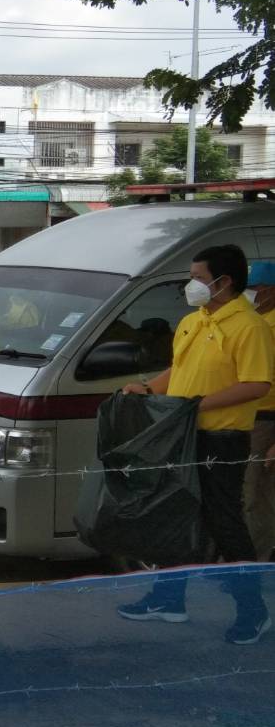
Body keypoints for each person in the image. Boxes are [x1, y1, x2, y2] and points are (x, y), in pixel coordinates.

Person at [118, 244, 272, 644]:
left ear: (225, 282)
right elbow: (180, 368)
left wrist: (199, 404)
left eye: (198, 278)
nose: (192, 285)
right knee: (176, 515)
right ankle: (169, 599)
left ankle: (253, 610)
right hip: (184, 435)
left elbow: (257, 384)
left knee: (225, 523)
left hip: (222, 438)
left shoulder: (248, 326)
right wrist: (149, 387)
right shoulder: (193, 321)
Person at [244, 260, 275, 562]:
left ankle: (255, 564)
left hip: (267, 421)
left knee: (256, 499)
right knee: (244, 496)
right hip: (245, 418)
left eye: (256, 288)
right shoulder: (251, 322)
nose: (251, 294)